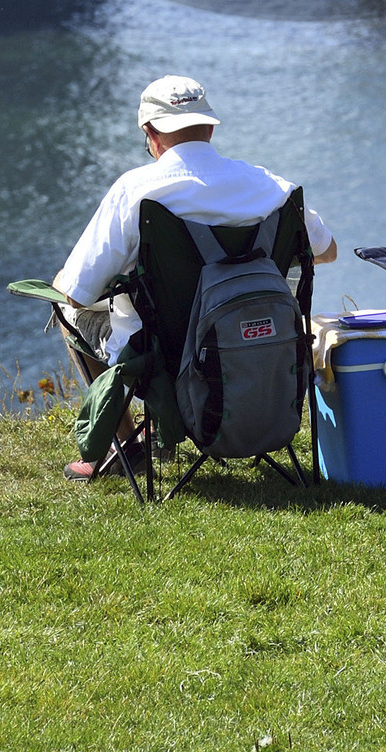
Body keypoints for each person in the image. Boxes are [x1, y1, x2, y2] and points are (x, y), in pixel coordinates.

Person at [52, 73, 337, 480]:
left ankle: (130, 447)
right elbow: (327, 253)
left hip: (165, 357)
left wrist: (66, 281)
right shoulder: (271, 186)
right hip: (262, 344)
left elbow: (77, 294)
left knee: (65, 309)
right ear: (209, 127)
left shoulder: (137, 191)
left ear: (150, 133)